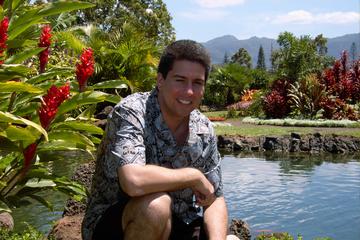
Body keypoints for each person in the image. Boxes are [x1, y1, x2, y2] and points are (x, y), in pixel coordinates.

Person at [82, 40, 238, 240]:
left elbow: (214, 199)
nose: (189, 91)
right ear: (160, 80)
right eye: (180, 80)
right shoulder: (132, 112)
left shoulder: (204, 129)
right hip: (119, 225)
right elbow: (133, 181)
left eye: (197, 83)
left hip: (180, 223)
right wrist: (193, 176)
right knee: (157, 205)